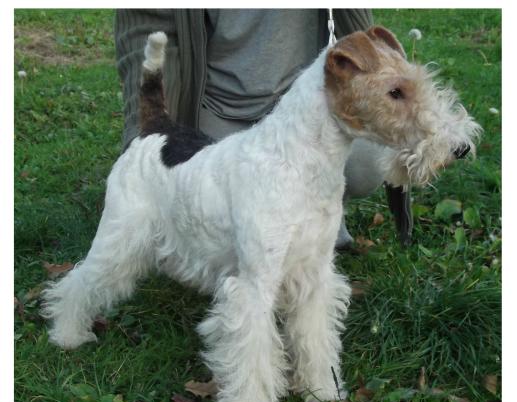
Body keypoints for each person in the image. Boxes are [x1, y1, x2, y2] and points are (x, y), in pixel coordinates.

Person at [114, 9, 412, 247]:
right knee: (220, 201)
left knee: (367, 163)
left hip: (308, 100)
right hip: (221, 107)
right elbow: (146, 25)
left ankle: (318, 223)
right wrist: (143, 150)